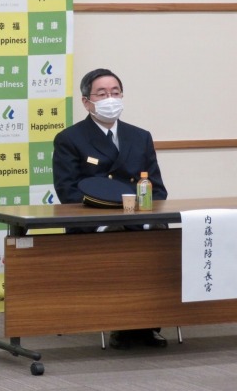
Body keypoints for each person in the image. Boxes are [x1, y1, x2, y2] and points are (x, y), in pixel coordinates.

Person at [52, 68, 168, 350]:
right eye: (102, 94)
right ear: (86, 102)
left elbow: (158, 190)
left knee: (160, 237)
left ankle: (151, 320)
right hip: (93, 223)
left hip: (139, 221)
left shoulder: (140, 136)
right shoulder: (70, 138)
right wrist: (107, 210)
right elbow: (68, 192)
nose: (110, 99)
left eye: (115, 93)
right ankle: (123, 323)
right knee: (116, 238)